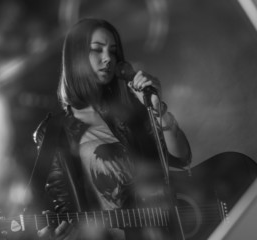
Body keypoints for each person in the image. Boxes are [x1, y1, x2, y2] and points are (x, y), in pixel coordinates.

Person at [33, 18, 191, 240]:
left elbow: (181, 158)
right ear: (75, 57)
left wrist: (158, 109)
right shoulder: (55, 131)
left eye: (113, 52)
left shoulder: (133, 110)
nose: (108, 58)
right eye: (97, 50)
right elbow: (61, 206)